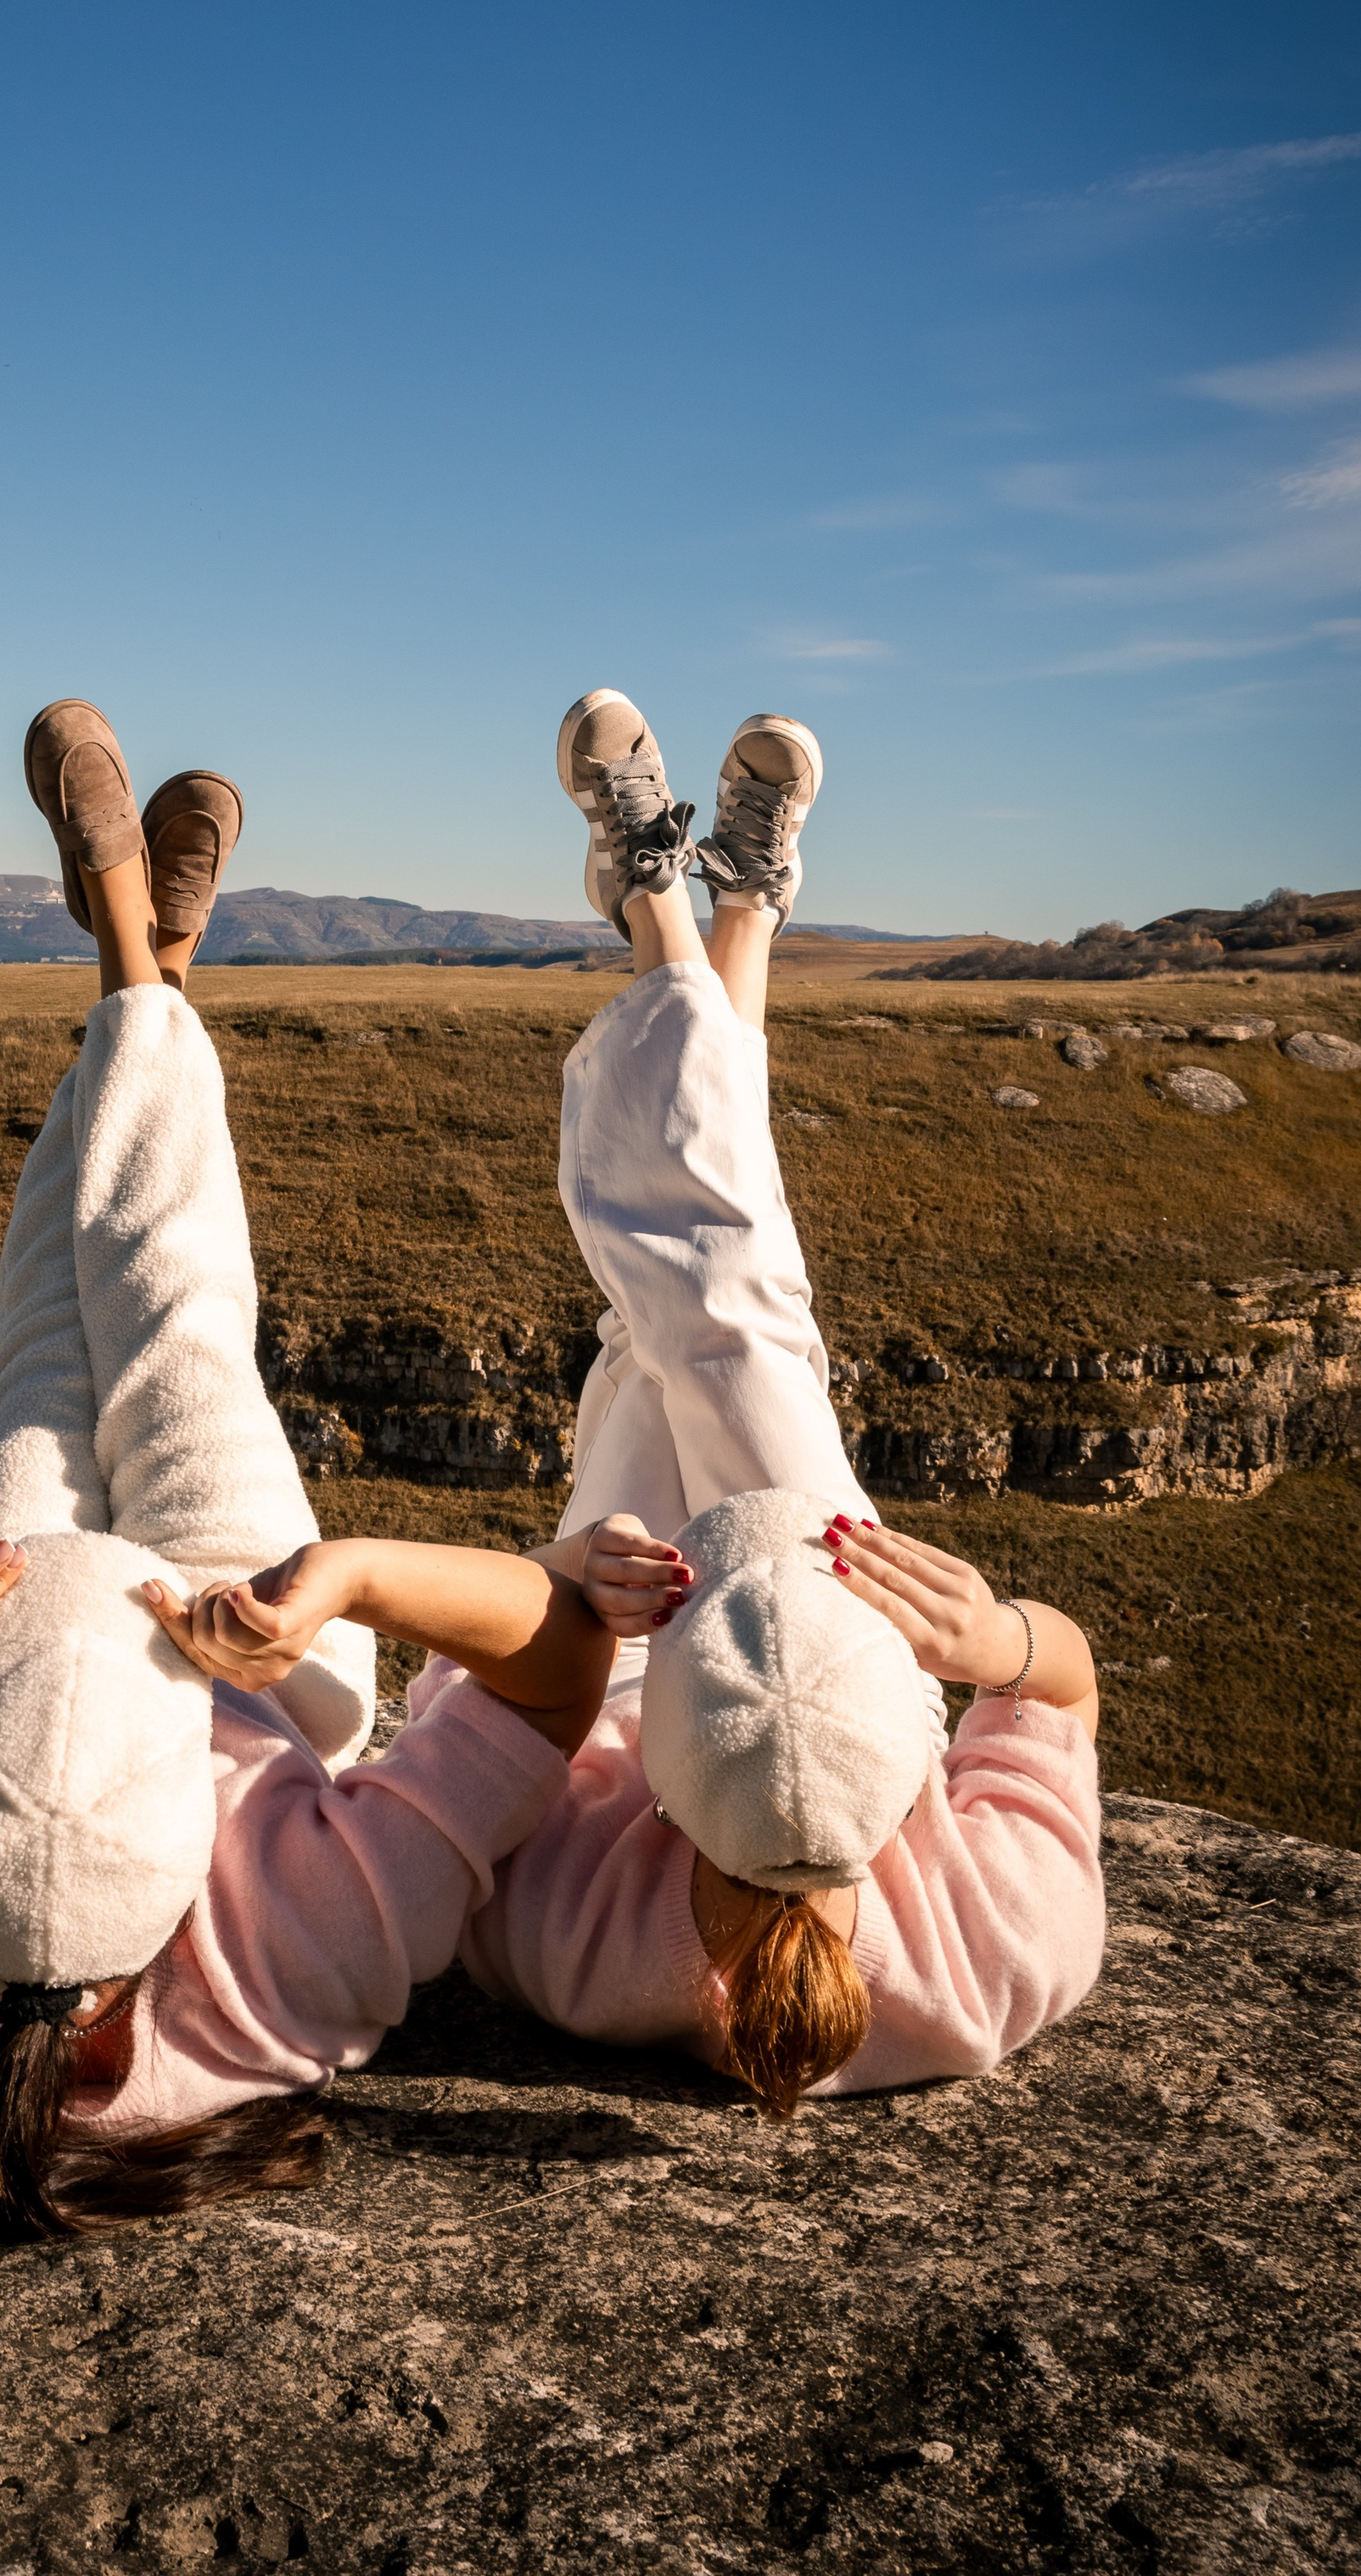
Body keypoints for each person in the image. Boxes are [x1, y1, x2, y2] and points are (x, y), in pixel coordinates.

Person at [0, 701, 613, 2238]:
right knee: (174, 1320)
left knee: (49, 1338)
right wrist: (343, 1583)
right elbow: (562, 1662)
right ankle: (142, 956)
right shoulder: (299, 1967)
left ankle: (139, 955)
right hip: (248, 1652)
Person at [413, 692, 1106, 2118]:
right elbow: (1072, 1685)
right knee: (725, 1316)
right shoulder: (985, 1956)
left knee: (694, 1317)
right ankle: (693, 903)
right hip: (789, 1638)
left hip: (618, 1653)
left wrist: (566, 1590)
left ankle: (688, 896)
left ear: (670, 1811)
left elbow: (447, 1721)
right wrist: (996, 1640)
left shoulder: (572, 1940)